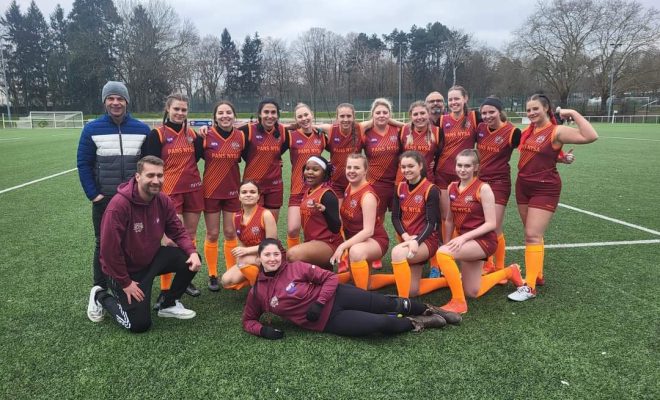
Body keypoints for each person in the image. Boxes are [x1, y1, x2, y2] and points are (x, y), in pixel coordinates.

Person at [242, 239, 461, 339]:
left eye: (276, 254)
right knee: (381, 323)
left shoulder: (296, 267)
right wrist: (263, 331)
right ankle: (419, 322)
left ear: (281, 255)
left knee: (385, 303)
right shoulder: (258, 292)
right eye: (267, 255)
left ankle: (429, 309)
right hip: (327, 321)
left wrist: (319, 302)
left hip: (338, 296)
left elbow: (330, 277)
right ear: (259, 259)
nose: (272, 258)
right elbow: (248, 321)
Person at [86, 156, 202, 332]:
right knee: (138, 325)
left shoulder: (162, 200)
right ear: (138, 177)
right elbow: (109, 251)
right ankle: (100, 296)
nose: (156, 180)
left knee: (190, 258)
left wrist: (192, 252)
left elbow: (177, 231)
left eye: (160, 175)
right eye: (150, 175)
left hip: (150, 260)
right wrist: (125, 282)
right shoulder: (119, 206)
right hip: (125, 271)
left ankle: (168, 304)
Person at [508, 94, 597, 301]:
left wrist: (572, 112)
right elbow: (541, 154)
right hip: (523, 185)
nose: (531, 113)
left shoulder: (556, 130)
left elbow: (591, 136)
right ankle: (537, 274)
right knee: (532, 234)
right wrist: (561, 158)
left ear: (546, 108)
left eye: (535, 109)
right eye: (528, 110)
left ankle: (529, 287)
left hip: (545, 187)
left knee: (532, 234)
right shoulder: (530, 131)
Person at [78, 81, 150, 322]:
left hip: (134, 200)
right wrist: (94, 195)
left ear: (127, 101)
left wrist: (143, 194)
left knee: (132, 242)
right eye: (111, 98)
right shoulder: (91, 129)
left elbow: (148, 164)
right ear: (105, 101)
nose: (115, 103)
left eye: (120, 98)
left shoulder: (141, 129)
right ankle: (98, 291)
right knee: (103, 244)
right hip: (105, 199)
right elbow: (84, 164)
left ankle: (124, 287)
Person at [435, 149, 525, 314]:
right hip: (466, 242)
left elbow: (491, 224)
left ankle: (458, 303)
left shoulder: (483, 188)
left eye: (467, 166)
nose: (462, 169)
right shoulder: (452, 187)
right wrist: (447, 242)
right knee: (472, 292)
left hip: (484, 241)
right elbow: (449, 220)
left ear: (476, 167)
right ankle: (510, 272)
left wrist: (462, 239)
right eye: (459, 165)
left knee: (442, 254)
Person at [145, 93, 204, 302]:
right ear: (167, 109)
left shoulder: (193, 134)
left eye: (183, 109)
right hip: (169, 192)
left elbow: (197, 157)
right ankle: (165, 287)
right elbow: (150, 164)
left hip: (194, 188)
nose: (180, 113)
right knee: (170, 239)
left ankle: (185, 278)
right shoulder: (157, 134)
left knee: (190, 234)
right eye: (176, 109)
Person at [329, 153, 394, 290]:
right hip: (357, 242)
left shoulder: (367, 196)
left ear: (365, 171)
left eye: (357, 168)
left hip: (374, 241)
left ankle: (362, 296)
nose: (351, 171)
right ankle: (395, 278)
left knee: (356, 252)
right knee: (361, 281)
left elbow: (368, 231)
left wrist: (342, 246)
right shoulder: (350, 186)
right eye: (349, 167)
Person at [201, 101, 245, 291]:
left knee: (230, 233)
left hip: (233, 192)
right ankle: (212, 275)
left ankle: (230, 272)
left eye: (228, 112)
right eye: (220, 113)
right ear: (215, 117)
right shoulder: (205, 136)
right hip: (210, 191)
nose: (225, 115)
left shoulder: (241, 136)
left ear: (234, 115)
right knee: (212, 234)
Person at [391, 151, 447, 298]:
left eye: (411, 166)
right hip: (408, 239)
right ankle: (445, 281)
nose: (406, 170)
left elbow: (431, 223)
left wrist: (416, 241)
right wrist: (406, 237)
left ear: (420, 166)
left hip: (426, 241)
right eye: (403, 167)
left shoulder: (430, 189)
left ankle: (402, 302)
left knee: (397, 253)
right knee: (412, 291)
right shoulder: (399, 187)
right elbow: (395, 218)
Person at [475, 97, 521, 275]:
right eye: (484, 113)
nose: (487, 116)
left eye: (491, 112)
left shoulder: (513, 132)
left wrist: (560, 156)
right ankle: (489, 263)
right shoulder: (480, 128)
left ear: (499, 112)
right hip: (480, 182)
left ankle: (500, 267)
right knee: (481, 223)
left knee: (494, 225)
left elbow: (533, 146)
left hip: (499, 183)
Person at [435, 86, 480, 243]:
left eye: (457, 98)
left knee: (464, 215)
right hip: (443, 173)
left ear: (465, 99)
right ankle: (446, 248)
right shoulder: (442, 120)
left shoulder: (474, 117)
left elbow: (495, 124)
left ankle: (463, 247)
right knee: (446, 215)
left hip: (465, 175)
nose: (453, 102)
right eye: (451, 99)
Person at [287, 155, 342, 271]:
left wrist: (325, 211)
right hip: (313, 243)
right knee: (319, 278)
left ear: (324, 174)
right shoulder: (308, 191)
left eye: (315, 170)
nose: (310, 172)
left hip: (329, 244)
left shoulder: (327, 195)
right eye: (307, 169)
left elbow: (336, 228)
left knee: (292, 255)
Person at [221, 180, 278, 289]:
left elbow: (272, 244)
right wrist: (243, 254)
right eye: (244, 192)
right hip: (251, 257)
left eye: (252, 192)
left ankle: (264, 286)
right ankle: (258, 280)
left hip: (269, 255)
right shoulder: (236, 216)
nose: (248, 195)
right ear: (239, 196)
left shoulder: (265, 214)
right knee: (226, 281)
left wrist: (246, 252)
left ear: (258, 196)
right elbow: (241, 243)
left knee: (243, 261)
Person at [285, 103, 327, 250]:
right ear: (296, 119)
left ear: (312, 115)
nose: (304, 118)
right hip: (297, 188)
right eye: (300, 116)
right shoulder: (291, 136)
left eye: (306, 115)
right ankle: (294, 258)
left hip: (316, 190)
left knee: (314, 229)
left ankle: (314, 255)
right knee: (293, 229)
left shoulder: (321, 136)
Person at [240, 98, 288, 222]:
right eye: (266, 112)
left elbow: (279, 151)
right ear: (260, 114)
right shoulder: (248, 130)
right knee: (252, 224)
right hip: (252, 184)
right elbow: (229, 133)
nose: (270, 116)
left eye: (273, 112)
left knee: (271, 223)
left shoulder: (283, 131)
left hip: (275, 185)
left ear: (277, 115)